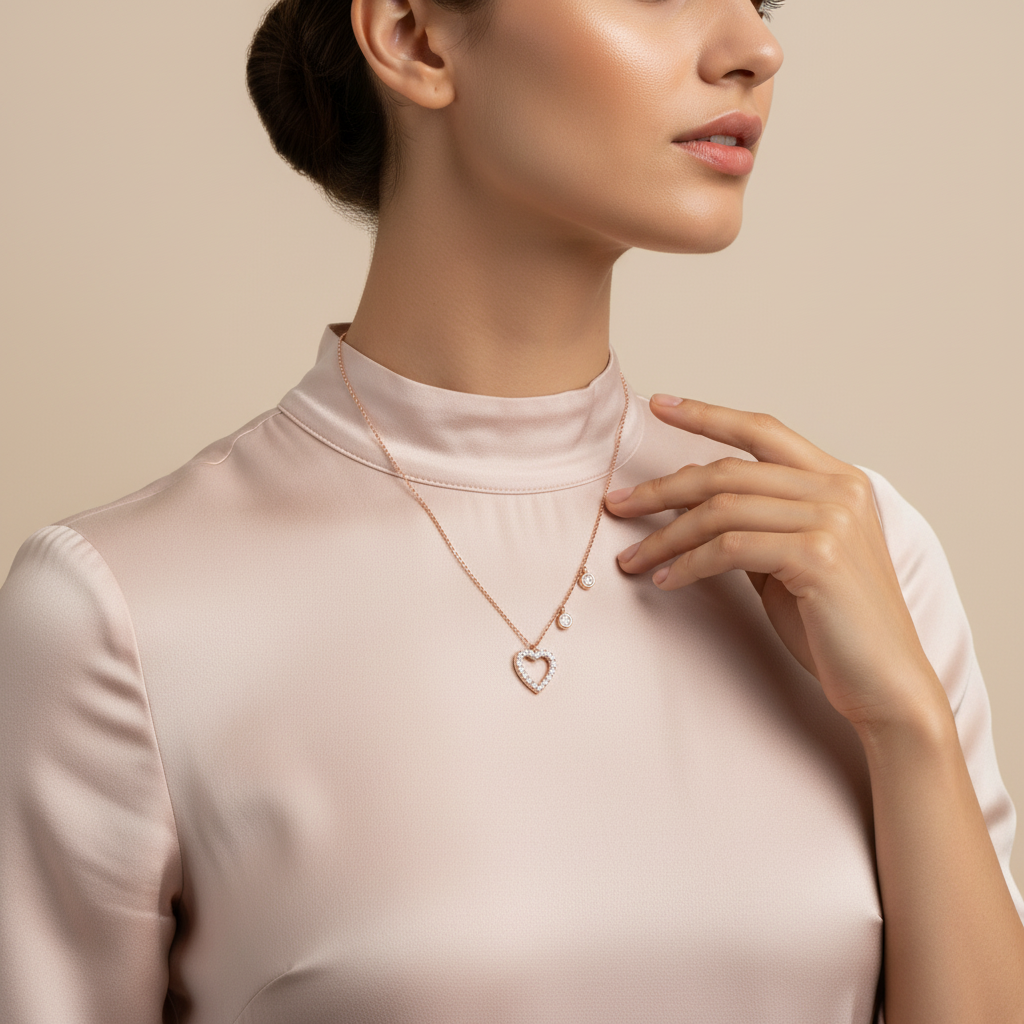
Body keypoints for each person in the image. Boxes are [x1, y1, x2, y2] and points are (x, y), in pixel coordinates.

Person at [1, 0, 1021, 1020]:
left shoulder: (848, 554)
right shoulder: (124, 613)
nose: (756, 48)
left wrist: (907, 726)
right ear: (413, 35)